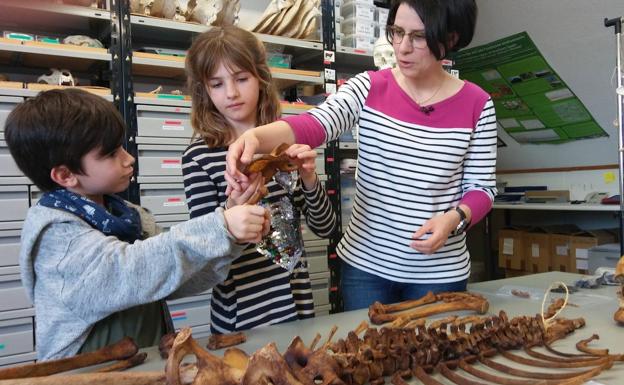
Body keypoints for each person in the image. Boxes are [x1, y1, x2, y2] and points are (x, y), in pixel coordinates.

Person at [225, 0, 497, 311]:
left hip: (438, 274)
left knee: (430, 357)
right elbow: (314, 124)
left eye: (418, 37)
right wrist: (254, 137)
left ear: (450, 38)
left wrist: (453, 219)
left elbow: (482, 189)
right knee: (364, 354)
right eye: (397, 32)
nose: (402, 48)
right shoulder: (369, 87)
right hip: (366, 269)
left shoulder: (478, 104)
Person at [4, 88, 269, 360]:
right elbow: (128, 271)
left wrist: (231, 235)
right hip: (84, 373)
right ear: (65, 174)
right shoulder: (57, 236)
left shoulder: (129, 216)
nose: (128, 158)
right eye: (110, 154)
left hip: (142, 364)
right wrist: (219, 226)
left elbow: (173, 278)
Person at [182, 26, 336, 333]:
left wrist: (308, 177)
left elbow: (326, 227)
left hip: (297, 303)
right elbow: (205, 253)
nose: (231, 93)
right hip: (242, 314)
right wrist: (231, 209)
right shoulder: (199, 157)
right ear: (204, 91)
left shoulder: (281, 143)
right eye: (217, 84)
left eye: (241, 78)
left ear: (261, 78)